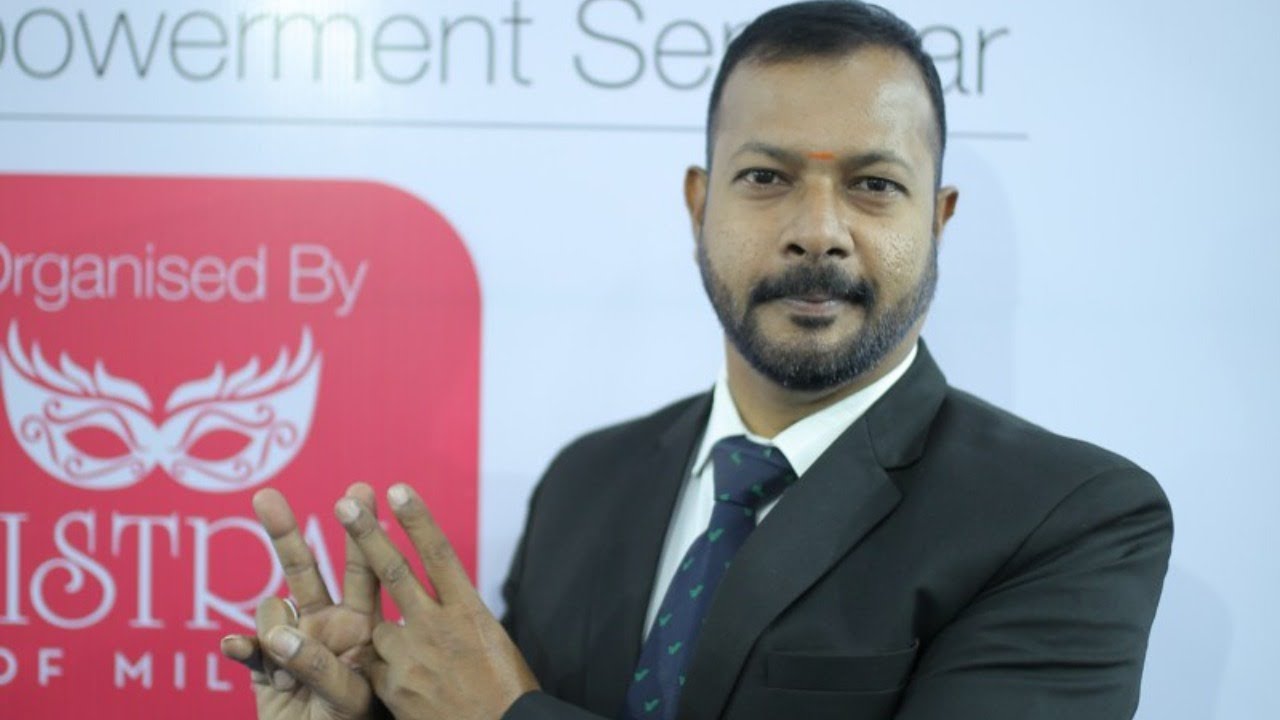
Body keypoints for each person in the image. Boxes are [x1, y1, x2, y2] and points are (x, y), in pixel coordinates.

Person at [219, 2, 1173, 719]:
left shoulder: (1067, 519)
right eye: (766, 178)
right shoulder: (587, 481)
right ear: (698, 205)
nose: (817, 231)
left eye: (875, 186)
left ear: (939, 219)